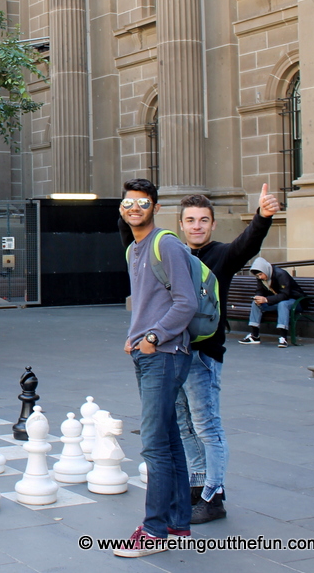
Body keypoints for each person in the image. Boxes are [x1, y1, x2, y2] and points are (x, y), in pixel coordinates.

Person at [173, 186, 277, 524]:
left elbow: (247, 244)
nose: (197, 226)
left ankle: (214, 496)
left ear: (213, 225)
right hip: (174, 353)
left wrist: (262, 216)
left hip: (204, 355)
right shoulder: (174, 254)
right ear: (181, 224)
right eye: (190, 220)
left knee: (207, 427)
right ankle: (197, 487)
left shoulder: (221, 255)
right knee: (184, 425)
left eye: (203, 220)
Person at [114, 179, 196, 557]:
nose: (134, 208)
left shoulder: (167, 244)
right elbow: (149, 301)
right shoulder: (134, 248)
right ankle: (178, 523)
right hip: (148, 353)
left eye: (142, 203)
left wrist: (152, 338)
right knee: (169, 439)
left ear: (155, 207)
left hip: (165, 355)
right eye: (129, 202)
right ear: (122, 207)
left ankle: (154, 530)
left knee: (154, 445)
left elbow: (186, 302)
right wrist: (135, 337)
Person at [240, 256, 305, 348]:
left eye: (260, 274)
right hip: (277, 301)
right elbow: (260, 290)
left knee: (283, 304)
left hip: (295, 301)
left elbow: (285, 294)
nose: (260, 277)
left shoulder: (281, 274)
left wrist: (267, 300)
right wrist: (258, 297)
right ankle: (255, 335)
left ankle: (283, 337)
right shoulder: (261, 278)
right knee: (256, 304)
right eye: (258, 276)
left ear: (265, 270)